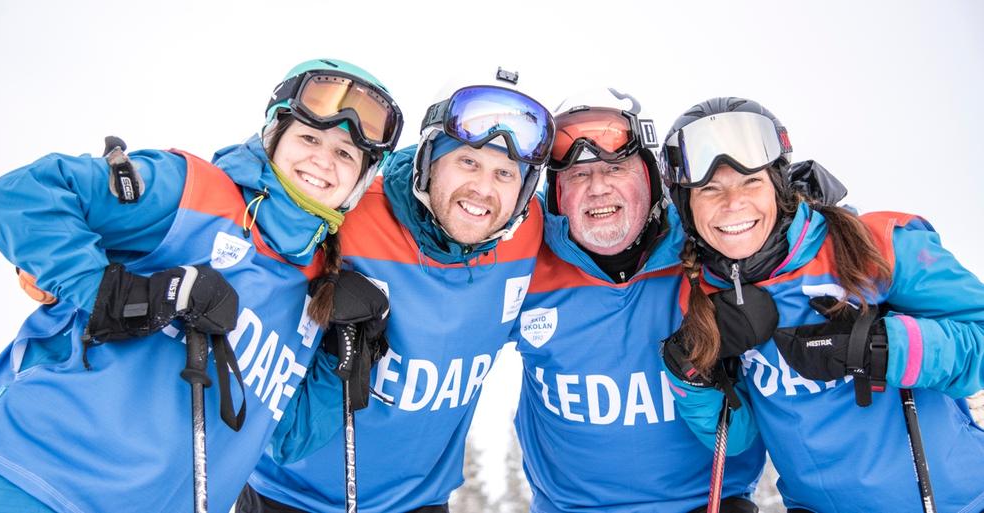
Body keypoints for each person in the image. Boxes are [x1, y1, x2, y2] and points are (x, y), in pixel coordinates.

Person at [0, 58, 403, 513]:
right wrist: (116, 297)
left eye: (346, 154)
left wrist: (342, 359)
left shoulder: (315, 287)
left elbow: (285, 440)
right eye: (309, 137)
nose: (322, 161)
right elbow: (22, 196)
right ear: (275, 137)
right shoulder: (192, 192)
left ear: (360, 181)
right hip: (30, 482)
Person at [238, 69, 553, 513]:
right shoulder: (348, 207)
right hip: (286, 496)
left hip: (419, 503)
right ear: (428, 159)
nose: (484, 188)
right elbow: (252, 212)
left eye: (505, 173)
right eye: (468, 161)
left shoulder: (526, 234)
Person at [660, 97, 984, 512]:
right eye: (709, 189)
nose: (732, 203)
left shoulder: (874, 245)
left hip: (952, 501)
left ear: (778, 185)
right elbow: (737, 438)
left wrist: (884, 349)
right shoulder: (705, 294)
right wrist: (692, 377)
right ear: (687, 207)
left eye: (751, 182)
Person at [510, 88, 765, 513]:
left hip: (709, 504)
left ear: (651, 175)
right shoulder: (524, 257)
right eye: (577, 175)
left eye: (615, 167)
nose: (597, 188)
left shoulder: (712, 251)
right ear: (556, 193)